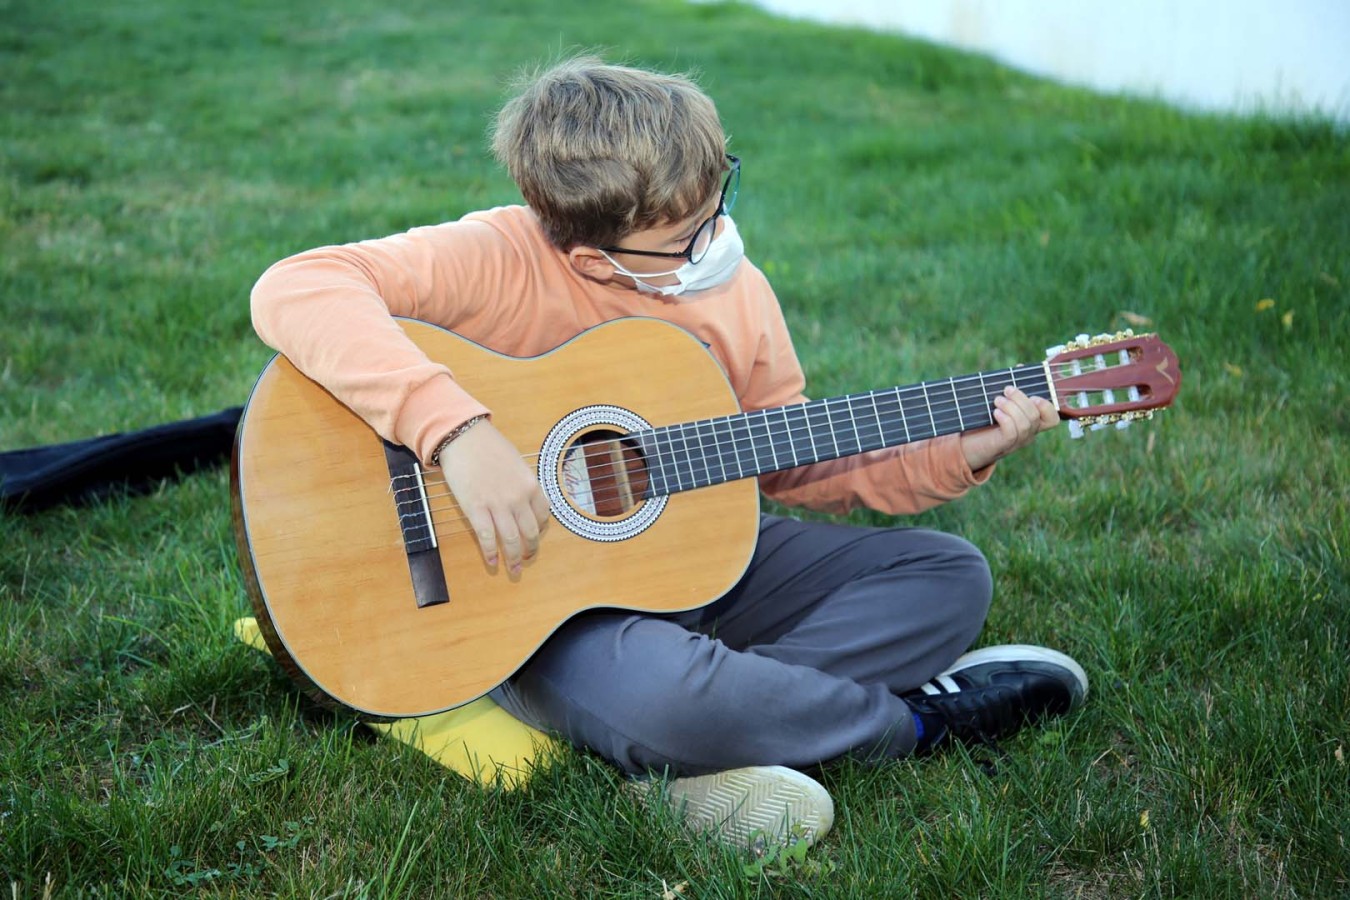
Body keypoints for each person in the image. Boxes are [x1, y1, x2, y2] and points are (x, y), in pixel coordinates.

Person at [249, 56, 1087, 849]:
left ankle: (720, 730)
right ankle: (914, 723)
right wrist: (456, 431)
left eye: (719, 203)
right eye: (688, 235)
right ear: (590, 257)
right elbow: (298, 286)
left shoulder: (737, 291)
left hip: (696, 556)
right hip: (521, 608)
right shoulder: (501, 258)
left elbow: (789, 455)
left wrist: (958, 450)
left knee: (947, 575)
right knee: (666, 698)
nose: (717, 239)